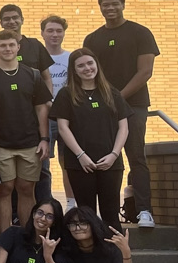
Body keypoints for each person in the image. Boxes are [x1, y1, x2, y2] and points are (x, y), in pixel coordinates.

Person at [82, 0, 159, 228]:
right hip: (101, 108)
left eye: (114, 4)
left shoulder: (140, 33)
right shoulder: (93, 39)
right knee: (102, 159)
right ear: (100, 7)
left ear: (123, 5)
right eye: (105, 4)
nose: (110, 8)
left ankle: (144, 210)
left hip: (133, 106)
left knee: (136, 156)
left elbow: (145, 71)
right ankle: (102, 215)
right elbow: (89, 72)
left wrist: (117, 98)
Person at [51, 49, 131, 230]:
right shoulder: (66, 94)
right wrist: (81, 155)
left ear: (96, 65)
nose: (87, 68)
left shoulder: (112, 93)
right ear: (74, 70)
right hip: (80, 163)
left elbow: (123, 127)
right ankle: (89, 256)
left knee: (111, 214)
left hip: (111, 163)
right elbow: (63, 128)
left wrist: (114, 154)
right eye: (80, 65)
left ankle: (117, 256)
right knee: (86, 214)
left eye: (90, 63)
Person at [0, 30, 52, 230]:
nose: (7, 49)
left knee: (26, 189)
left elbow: (41, 109)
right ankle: (4, 238)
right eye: (2, 45)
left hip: (30, 143)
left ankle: (27, 236)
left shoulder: (33, 74)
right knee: (4, 189)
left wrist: (45, 138)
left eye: (11, 45)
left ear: (18, 47)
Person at [0, 5, 54, 91]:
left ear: (22, 20)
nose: (11, 21)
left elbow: (46, 77)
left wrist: (48, 100)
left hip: (31, 101)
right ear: (1, 23)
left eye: (15, 17)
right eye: (7, 19)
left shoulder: (35, 45)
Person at [41, 15, 75, 209]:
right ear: (42, 33)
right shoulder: (37, 57)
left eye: (58, 31)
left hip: (67, 117)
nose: (55, 34)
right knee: (43, 162)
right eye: (50, 31)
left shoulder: (71, 58)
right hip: (44, 116)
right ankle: (46, 204)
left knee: (68, 161)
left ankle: (71, 203)